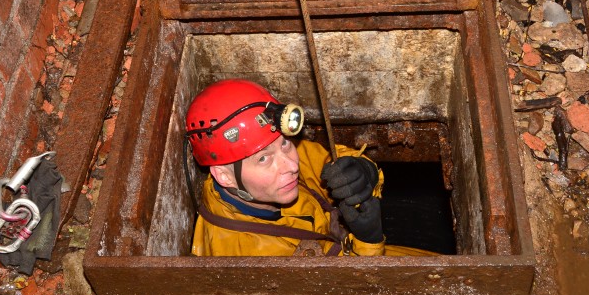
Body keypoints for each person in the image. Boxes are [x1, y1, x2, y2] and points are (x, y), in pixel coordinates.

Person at [185, 79, 435, 257]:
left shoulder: (266, 171)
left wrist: (362, 171)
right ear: (224, 176)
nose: (291, 165)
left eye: (285, 144)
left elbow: (323, 161)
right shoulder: (243, 258)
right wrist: (368, 244)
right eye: (263, 159)